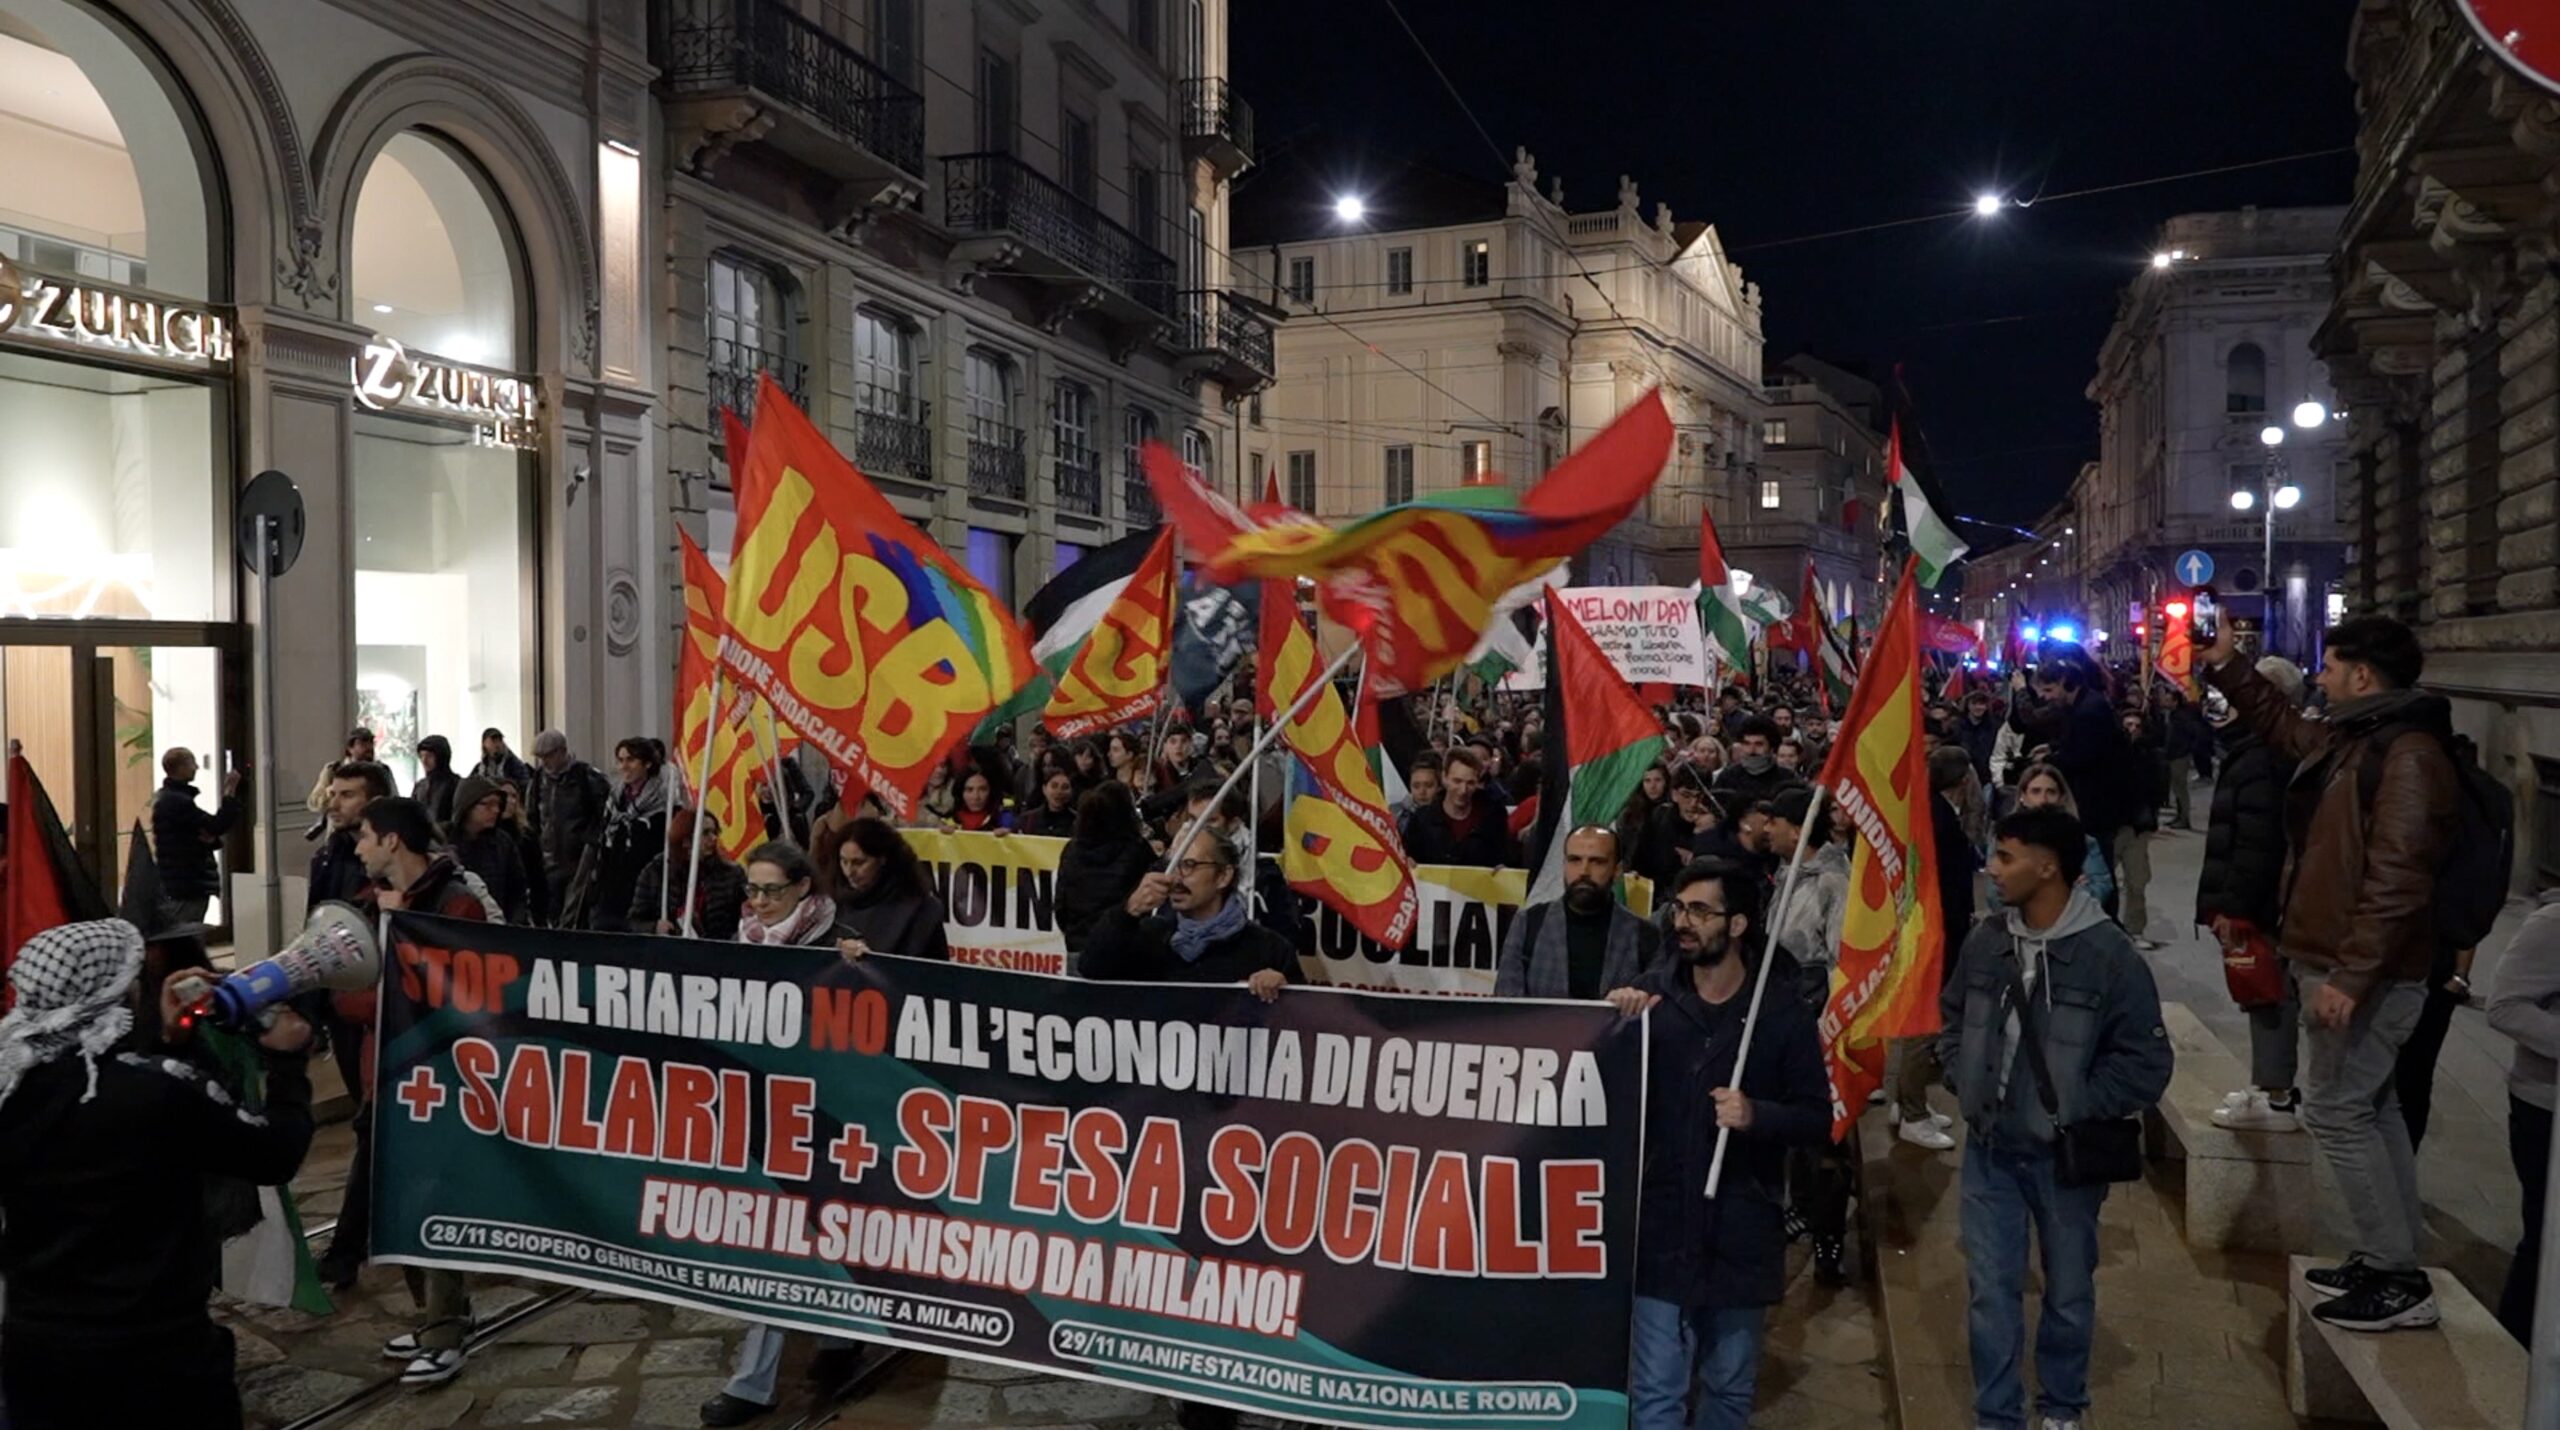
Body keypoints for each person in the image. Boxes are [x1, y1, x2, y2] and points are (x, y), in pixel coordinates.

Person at [2202, 613, 2457, 1333]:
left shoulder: (2406, 755)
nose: (2320, 676)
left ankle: (2395, 1276)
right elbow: (2287, 730)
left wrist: (2352, 974)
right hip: (2343, 960)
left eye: (2331, 665)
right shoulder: (2361, 739)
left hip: (2363, 971)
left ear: (2363, 676)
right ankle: (2391, 1256)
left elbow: (2399, 879)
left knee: (2339, 1112)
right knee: (2375, 1110)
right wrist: (2229, 666)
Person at [0, 920, 316, 1430]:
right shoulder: (156, 1092)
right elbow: (271, 1153)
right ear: (115, 993)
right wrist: (286, 1065)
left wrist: (172, 1043)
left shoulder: (10, 1087)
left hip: (39, 1354)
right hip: (155, 1356)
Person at [1939, 806, 2172, 1430]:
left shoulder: (2108, 956)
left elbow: (2146, 1062)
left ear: (2048, 867)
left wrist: (2072, 1106)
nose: (1991, 869)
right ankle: (1998, 1415)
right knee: (1992, 1293)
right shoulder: (1988, 940)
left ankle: (2063, 1407)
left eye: (2005, 856)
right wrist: (1962, 1076)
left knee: (2068, 1292)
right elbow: (1954, 1014)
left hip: (2064, 1162)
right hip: (1990, 1151)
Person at [1612, 858, 1828, 1430]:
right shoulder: (1651, 1000)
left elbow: (1816, 1118)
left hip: (1741, 1231)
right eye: (1680, 908)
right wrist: (1615, 1022)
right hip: (1660, 1227)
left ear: (1737, 925)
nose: (1684, 921)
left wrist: (1757, 1114)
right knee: (1656, 1394)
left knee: (1729, 1392)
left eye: (1701, 911)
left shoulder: (1779, 1012)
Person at [705, 841, 866, 1427]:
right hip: (764, 1116)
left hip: (829, 1121)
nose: (760, 901)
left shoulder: (837, 943)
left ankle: (841, 1335)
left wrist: (866, 969)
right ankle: (755, 1380)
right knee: (774, 1240)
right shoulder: (743, 943)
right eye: (752, 889)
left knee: (829, 1233)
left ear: (804, 888)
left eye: (772, 890)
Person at [341, 796, 498, 1386]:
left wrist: (399, 933)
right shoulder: (368, 906)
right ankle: (439, 1313)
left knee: (435, 1202)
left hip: (436, 1080)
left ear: (392, 842)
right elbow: (351, 997)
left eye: (363, 835)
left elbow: (459, 994)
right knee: (399, 1205)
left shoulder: (454, 905)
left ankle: (445, 1329)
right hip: (381, 1078)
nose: (356, 847)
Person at [2197, 660, 2305, 1133]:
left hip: (2258, 908)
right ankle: (2270, 1085)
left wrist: (2235, 909)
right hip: (2257, 903)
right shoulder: (2257, 750)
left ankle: (2275, 1093)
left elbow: (2257, 842)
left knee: (2266, 992)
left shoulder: (2264, 756)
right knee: (2261, 993)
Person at [1764, 789, 1858, 1283]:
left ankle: (1827, 1238)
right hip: (1785, 1014)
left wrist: (1828, 1024)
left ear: (1798, 829)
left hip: (1817, 1020)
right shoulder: (1789, 873)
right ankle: (1797, 1208)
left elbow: (1842, 959)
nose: (1766, 830)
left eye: (1774, 821)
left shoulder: (1833, 883)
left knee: (1824, 1139)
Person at [1080, 825, 1294, 995]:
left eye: (1189, 865)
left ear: (1223, 876)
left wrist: (1285, 989)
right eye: (1172, 864)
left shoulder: (1269, 950)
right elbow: (1091, 969)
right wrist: (1128, 912)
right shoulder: (1150, 936)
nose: (1175, 878)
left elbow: (1306, 1025)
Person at [1893, 747, 1980, 1153]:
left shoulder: (1931, 812)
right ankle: (1912, 1114)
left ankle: (1907, 1101)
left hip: (1934, 929)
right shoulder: (1937, 820)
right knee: (1923, 1025)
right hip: (1934, 932)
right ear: (1962, 781)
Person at [2487, 891, 2560, 1344]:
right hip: (2547, 1108)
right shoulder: (2553, 923)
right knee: (2546, 1245)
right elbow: (2504, 1006)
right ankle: (2514, 1361)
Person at [1494, 826, 1659, 1000]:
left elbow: (1656, 1009)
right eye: (1575, 860)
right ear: (1564, 865)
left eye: (1597, 861)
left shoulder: (1645, 935)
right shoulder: (1528, 923)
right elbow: (1506, 1007)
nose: (1584, 872)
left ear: (1617, 870)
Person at [1054, 783, 1157, 957]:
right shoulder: (1137, 850)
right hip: (1121, 949)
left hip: (1077, 947)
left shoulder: (1071, 850)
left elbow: (1061, 906)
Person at [828, 818, 950, 962]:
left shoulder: (922, 909)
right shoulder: (830, 903)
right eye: (844, 861)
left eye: (859, 862)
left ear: (882, 859)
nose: (849, 872)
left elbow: (933, 972)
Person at [149, 747, 242, 927]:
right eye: (191, 763)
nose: (196, 767)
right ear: (181, 767)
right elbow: (216, 825)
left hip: (180, 880)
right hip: (187, 881)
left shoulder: (169, 799)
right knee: (185, 934)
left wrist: (209, 837)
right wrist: (230, 791)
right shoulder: (178, 802)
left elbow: (202, 832)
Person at [1998, 765, 2113, 910]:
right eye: (2036, 791)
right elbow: (1995, 894)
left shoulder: (2085, 842)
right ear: (2023, 797)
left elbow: (2101, 888)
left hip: (2073, 921)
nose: (2043, 799)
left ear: (2061, 798)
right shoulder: (2004, 840)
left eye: (2051, 792)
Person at [529, 730, 611, 925]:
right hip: (549, 857)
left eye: (548, 756)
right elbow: (533, 814)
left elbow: (602, 816)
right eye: (540, 758)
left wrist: (590, 845)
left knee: (575, 912)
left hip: (579, 858)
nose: (544, 762)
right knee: (553, 910)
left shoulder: (586, 777)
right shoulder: (539, 779)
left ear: (562, 751)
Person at [590, 738, 669, 933]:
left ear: (647, 763)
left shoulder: (663, 804)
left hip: (643, 893)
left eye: (630, 760)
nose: (624, 766)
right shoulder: (614, 799)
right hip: (610, 891)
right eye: (620, 760)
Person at [631, 810, 747, 939]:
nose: (714, 838)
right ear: (685, 839)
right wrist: (654, 928)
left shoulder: (732, 874)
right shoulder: (656, 872)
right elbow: (634, 922)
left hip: (717, 951)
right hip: (670, 951)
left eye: (715, 832)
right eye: (706, 833)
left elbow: (746, 919)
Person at [1401, 748, 1514, 868]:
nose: (1463, 790)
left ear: (1478, 782)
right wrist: (1407, 861)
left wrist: (1504, 869)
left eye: (1470, 783)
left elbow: (1505, 857)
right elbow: (1406, 855)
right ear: (1444, 777)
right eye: (1457, 781)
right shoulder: (1421, 820)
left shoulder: (1494, 817)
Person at [2113, 709, 2165, 949]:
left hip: (2138, 827)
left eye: (2136, 725)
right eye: (2127, 725)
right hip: (2114, 825)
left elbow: (2157, 789)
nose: (2131, 730)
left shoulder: (2149, 755)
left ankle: (2135, 928)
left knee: (2137, 881)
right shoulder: (2111, 755)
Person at [449, 775, 532, 923]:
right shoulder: (445, 841)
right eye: (488, 805)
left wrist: (514, 925)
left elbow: (517, 891)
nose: (495, 810)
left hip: (498, 927)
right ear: (467, 805)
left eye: (498, 804)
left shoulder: (503, 843)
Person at [1712, 717, 1801, 808]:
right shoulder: (1728, 776)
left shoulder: (1787, 778)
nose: (1752, 750)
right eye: (1747, 744)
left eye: (1759, 744)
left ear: (1772, 747)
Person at [2156, 688, 2205, 831]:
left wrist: (2185, 750)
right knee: (2176, 788)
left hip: (2179, 756)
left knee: (2180, 788)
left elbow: (2193, 734)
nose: (2164, 702)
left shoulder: (2182, 717)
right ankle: (2179, 816)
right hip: (2173, 754)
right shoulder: (2173, 715)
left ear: (2175, 702)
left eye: (2168, 700)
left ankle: (2184, 818)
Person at [305, 727, 376, 815]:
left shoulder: (381, 771)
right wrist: (330, 793)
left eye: (371, 743)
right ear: (350, 748)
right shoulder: (332, 770)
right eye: (362, 744)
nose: (369, 747)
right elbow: (313, 803)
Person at [409, 734, 460, 829]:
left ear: (441, 757)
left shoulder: (456, 785)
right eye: (421, 756)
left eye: (429, 756)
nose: (424, 761)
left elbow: (458, 820)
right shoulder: (420, 786)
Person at [1016, 767, 1079, 838]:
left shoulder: (1079, 822)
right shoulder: (1027, 820)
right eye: (1054, 786)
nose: (1059, 792)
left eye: (1065, 787)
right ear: (1044, 789)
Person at [1955, 688, 2001, 785]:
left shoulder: (1994, 726)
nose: (1978, 707)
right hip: (1963, 774)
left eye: (1982, 704)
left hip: (1987, 775)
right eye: (1974, 704)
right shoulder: (1957, 726)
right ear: (1968, 705)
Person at [947, 767, 1012, 832]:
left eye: (983, 789)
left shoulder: (1005, 818)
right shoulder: (950, 820)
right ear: (960, 792)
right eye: (969, 790)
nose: (976, 797)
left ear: (991, 792)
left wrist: (1010, 834)